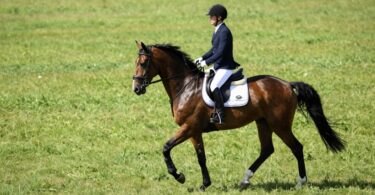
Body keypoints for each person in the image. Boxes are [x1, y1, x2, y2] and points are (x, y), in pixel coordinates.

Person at [195, 4, 239, 124]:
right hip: (219, 67)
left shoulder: (224, 31)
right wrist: (201, 58)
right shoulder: (218, 30)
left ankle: (220, 115)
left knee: (214, 86)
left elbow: (220, 53)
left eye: (212, 16)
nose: (210, 18)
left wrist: (206, 63)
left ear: (219, 17)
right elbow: (213, 49)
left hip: (225, 67)